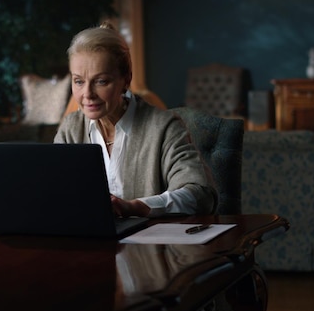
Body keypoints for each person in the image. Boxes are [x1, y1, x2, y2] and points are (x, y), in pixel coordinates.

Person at [54, 22, 217, 218]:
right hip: (88, 243)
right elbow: (55, 192)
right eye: (79, 81)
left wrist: (136, 207)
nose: (87, 94)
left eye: (101, 81)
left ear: (126, 79)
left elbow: (200, 195)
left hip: (151, 246)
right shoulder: (71, 128)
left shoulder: (163, 127)